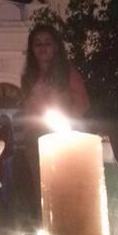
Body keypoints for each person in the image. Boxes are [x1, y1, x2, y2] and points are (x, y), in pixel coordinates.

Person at [20, 24, 90, 222]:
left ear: (56, 47)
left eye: (47, 43)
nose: (42, 48)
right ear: (32, 49)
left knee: (65, 186)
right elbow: (28, 110)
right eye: (37, 44)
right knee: (42, 188)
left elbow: (83, 104)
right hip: (35, 139)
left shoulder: (68, 73)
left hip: (63, 137)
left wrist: (65, 125)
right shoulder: (29, 77)